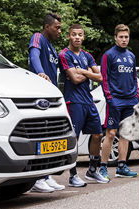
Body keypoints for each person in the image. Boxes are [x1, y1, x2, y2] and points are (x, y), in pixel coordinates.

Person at [58, 24, 109, 187]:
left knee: (98, 135)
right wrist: (88, 74)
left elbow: (100, 77)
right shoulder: (64, 54)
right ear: (69, 36)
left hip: (88, 100)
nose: (77, 37)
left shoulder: (87, 55)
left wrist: (85, 72)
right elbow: (74, 79)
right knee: (75, 137)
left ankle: (92, 171)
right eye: (74, 34)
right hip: (74, 101)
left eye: (80, 35)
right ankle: (73, 176)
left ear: (83, 37)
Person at [28, 12, 65, 193]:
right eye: (57, 28)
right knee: (40, 135)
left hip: (50, 96)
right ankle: (36, 179)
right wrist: (40, 73)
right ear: (47, 26)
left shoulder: (51, 47)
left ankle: (45, 176)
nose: (59, 31)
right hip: (37, 96)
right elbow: (34, 55)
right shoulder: (38, 38)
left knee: (49, 136)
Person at [99, 24, 139, 179]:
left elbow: (134, 77)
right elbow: (104, 78)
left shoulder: (131, 56)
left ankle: (122, 166)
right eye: (121, 37)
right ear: (115, 37)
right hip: (115, 100)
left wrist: (136, 95)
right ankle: (103, 167)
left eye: (126, 37)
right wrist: (109, 98)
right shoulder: (108, 55)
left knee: (126, 134)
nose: (124, 40)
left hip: (130, 100)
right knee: (111, 134)